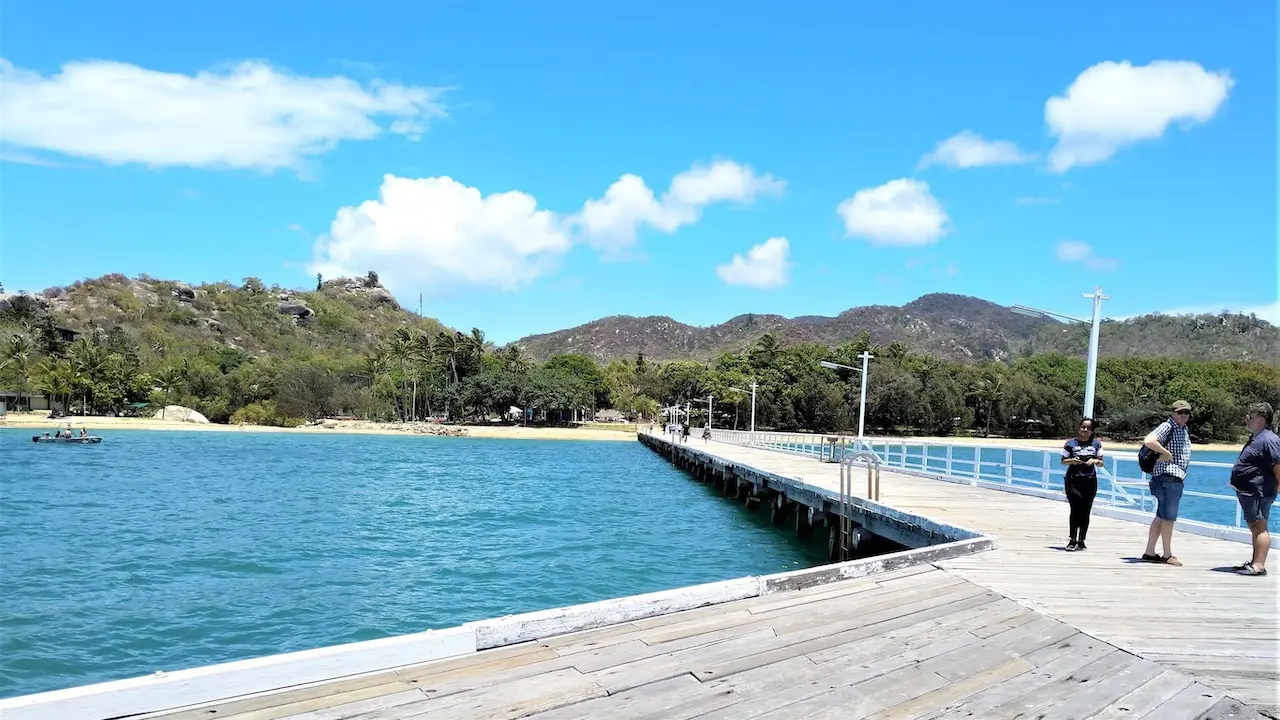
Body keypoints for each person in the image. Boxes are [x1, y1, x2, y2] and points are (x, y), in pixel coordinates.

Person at [1229, 402, 1279, 577]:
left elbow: (1277, 464)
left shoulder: (1269, 439)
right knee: (1255, 526)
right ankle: (1254, 561)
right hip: (1251, 491)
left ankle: (1259, 565)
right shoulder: (1258, 438)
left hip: (1259, 491)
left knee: (1260, 527)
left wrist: (1278, 484)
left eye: (1251, 416)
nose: (1247, 419)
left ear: (1262, 419)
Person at [1141, 400, 1193, 566]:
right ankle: (1167, 554)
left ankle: (1149, 551)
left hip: (1170, 477)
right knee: (1168, 518)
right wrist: (1166, 453)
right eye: (1180, 413)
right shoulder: (1168, 426)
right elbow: (1149, 440)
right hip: (1167, 477)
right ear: (1173, 413)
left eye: (1186, 413)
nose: (1183, 416)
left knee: (1161, 515)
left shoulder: (1182, 429)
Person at [1061, 418, 1103, 551]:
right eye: (1083, 427)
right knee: (1075, 509)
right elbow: (1063, 460)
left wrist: (1095, 460)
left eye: (1088, 428)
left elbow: (1101, 463)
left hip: (1089, 480)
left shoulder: (1097, 444)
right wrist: (1072, 461)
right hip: (1074, 480)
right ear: (1079, 428)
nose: (1085, 430)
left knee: (1086, 511)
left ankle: (1081, 540)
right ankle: (1072, 539)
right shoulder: (1070, 443)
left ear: (1092, 431)